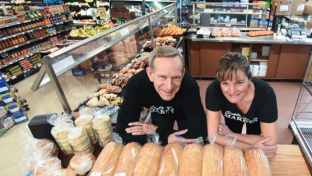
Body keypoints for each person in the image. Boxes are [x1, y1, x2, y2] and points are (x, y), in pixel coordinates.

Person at [116, 46, 207, 145]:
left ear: (183, 73)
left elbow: (199, 134)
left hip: (183, 113)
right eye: (162, 77)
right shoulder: (137, 84)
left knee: (191, 144)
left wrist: (157, 131)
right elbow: (122, 132)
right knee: (162, 144)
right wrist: (165, 137)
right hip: (159, 113)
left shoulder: (190, 86)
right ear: (150, 74)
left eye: (176, 77)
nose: (169, 87)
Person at [205, 52, 278, 158]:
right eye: (225, 83)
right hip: (233, 123)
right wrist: (251, 148)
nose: (232, 91)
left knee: (254, 133)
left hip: (255, 124)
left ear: (249, 79)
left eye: (239, 82)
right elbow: (213, 136)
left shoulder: (265, 94)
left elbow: (270, 143)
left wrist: (232, 136)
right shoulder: (214, 90)